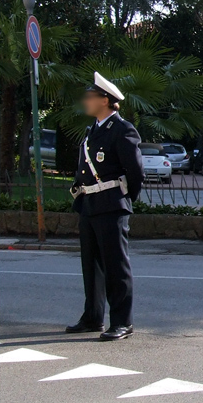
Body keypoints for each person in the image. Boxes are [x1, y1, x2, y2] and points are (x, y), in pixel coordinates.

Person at [66, 72, 145, 340]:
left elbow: (136, 172)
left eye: (90, 97)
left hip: (111, 205)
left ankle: (123, 322)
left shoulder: (123, 130)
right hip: (89, 204)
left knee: (115, 266)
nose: (86, 101)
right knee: (91, 266)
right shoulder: (93, 132)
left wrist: (123, 199)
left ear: (105, 100)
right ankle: (93, 317)